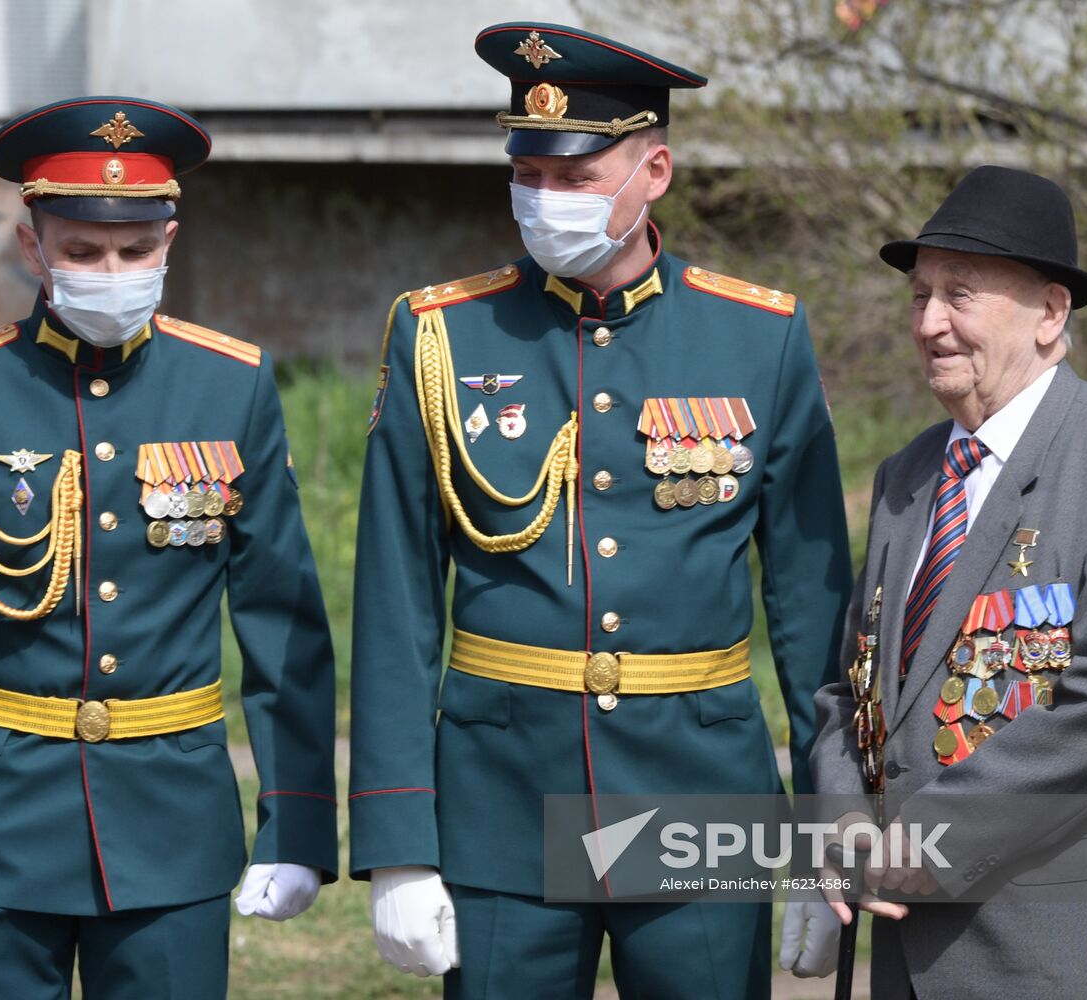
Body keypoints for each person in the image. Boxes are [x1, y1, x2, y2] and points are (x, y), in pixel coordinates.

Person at [349, 22, 852, 998]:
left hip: (698, 799)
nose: (544, 200)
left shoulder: (759, 336)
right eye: (527, 172)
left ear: (652, 169)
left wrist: (826, 825)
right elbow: (394, 607)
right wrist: (397, 844)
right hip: (503, 803)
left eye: (575, 179)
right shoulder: (437, 335)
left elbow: (808, 607)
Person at [0, 96, 337, 999]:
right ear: (32, 246)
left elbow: (283, 625)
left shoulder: (231, 385)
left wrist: (296, 828)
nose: (112, 270)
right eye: (82, 251)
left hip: (172, 827)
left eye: (136, 250)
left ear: (171, 239)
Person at [810, 165, 1087, 998]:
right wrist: (842, 818)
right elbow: (851, 691)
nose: (931, 323)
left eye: (961, 293)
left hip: (1054, 947)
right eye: (918, 296)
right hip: (905, 948)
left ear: (1050, 313)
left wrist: (933, 840)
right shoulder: (907, 475)